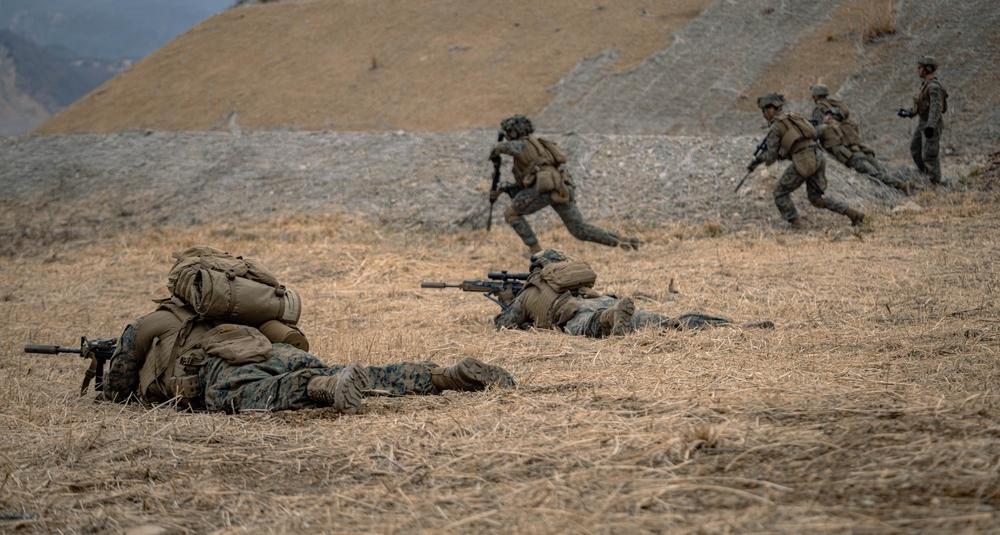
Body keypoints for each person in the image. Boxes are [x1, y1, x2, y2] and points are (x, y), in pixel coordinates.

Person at [103, 296, 515, 414]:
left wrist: (109, 389)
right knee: (365, 374)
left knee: (259, 395)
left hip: (219, 366)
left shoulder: (153, 322)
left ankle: (324, 387)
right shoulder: (242, 309)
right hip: (275, 350)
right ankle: (444, 375)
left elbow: (120, 384)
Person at [492, 249, 772, 337]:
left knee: (592, 324)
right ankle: (734, 326)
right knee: (665, 321)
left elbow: (505, 326)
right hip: (600, 300)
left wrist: (507, 303)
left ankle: (610, 318)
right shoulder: (567, 280)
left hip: (577, 314)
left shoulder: (531, 291)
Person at [489, 114, 641, 252]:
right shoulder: (537, 146)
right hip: (560, 187)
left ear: (514, 131)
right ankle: (622, 240)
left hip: (545, 189)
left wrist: (495, 151)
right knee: (578, 229)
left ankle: (536, 251)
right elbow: (527, 182)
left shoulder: (522, 144)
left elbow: (505, 148)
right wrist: (505, 189)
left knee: (511, 214)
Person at [750, 93, 865, 229]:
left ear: (771, 109)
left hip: (804, 161)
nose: (764, 115)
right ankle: (853, 214)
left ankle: (796, 225)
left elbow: (771, 159)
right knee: (816, 199)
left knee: (779, 193)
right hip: (817, 155)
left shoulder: (776, 127)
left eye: (764, 111)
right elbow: (811, 135)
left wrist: (759, 159)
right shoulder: (794, 117)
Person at [818, 107, 911, 193]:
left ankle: (902, 185)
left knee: (876, 174)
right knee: (883, 171)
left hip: (853, 157)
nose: (825, 117)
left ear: (829, 117)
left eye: (827, 115)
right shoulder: (847, 125)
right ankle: (908, 181)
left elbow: (812, 134)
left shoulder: (824, 128)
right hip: (863, 152)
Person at [899, 55, 947, 184]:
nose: (918, 70)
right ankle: (926, 174)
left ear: (927, 69)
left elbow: (936, 108)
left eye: (920, 68)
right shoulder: (925, 86)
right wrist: (908, 113)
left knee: (929, 154)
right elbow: (921, 106)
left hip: (932, 123)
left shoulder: (933, 87)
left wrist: (931, 126)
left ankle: (935, 182)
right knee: (915, 148)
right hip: (923, 122)